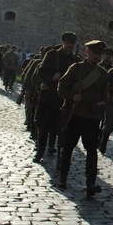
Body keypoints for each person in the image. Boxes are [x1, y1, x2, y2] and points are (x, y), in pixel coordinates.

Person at [57, 40, 108, 196]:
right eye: (94, 53)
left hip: (92, 117)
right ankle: (63, 178)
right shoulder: (76, 68)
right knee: (68, 147)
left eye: (99, 54)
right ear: (87, 52)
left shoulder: (103, 73)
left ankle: (91, 183)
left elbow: (105, 98)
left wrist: (98, 106)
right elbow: (62, 87)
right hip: (75, 114)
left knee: (92, 150)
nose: (97, 57)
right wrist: (73, 97)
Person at [33, 32, 79, 163]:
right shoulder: (52, 55)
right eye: (68, 42)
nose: (70, 45)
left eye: (72, 43)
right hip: (49, 95)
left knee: (58, 126)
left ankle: (54, 147)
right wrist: (51, 77)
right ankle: (40, 151)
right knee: (43, 126)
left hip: (64, 98)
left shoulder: (75, 60)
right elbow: (40, 72)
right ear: (63, 42)